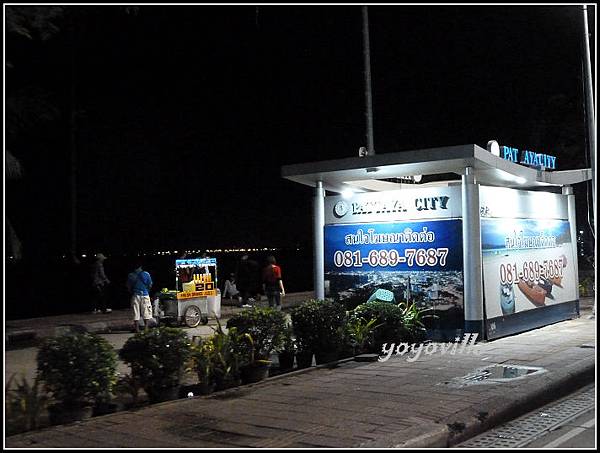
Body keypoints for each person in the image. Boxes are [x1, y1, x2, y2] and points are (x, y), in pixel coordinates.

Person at [126, 261, 154, 333]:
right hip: (145, 294)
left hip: (135, 295)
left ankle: (137, 329)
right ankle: (146, 328)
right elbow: (150, 284)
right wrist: (147, 291)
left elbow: (129, 287)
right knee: (146, 311)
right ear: (141, 267)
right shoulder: (146, 274)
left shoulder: (131, 275)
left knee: (136, 312)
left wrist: (132, 292)